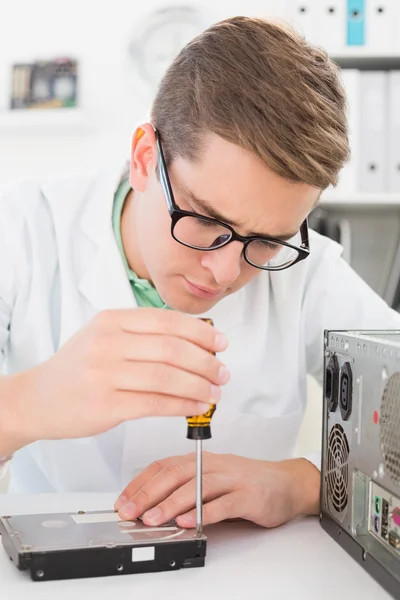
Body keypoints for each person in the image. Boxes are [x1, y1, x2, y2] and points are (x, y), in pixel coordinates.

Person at [0, 15, 399, 531]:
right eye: (208, 220)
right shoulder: (23, 230)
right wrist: (28, 402)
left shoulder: (307, 271)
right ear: (146, 158)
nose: (226, 271)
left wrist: (302, 483)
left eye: (266, 240)